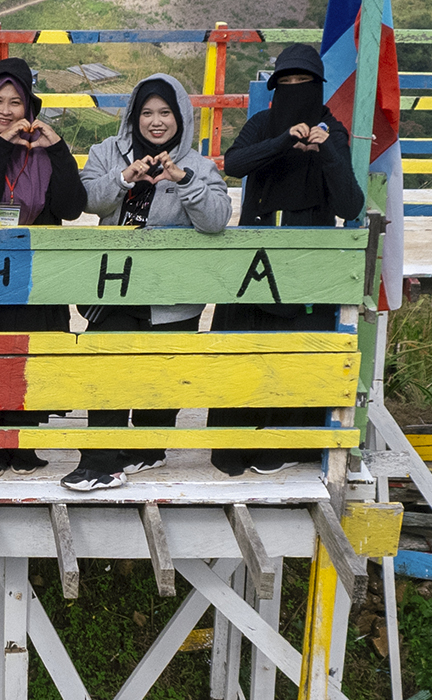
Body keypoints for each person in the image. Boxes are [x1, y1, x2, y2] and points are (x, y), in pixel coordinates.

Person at [62, 74, 229, 492]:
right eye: (147, 113)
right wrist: (124, 177)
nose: (156, 122)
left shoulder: (201, 165)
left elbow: (216, 221)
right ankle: (100, 462)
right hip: (114, 285)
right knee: (110, 372)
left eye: (166, 113)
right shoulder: (106, 152)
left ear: (181, 117)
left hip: (172, 291)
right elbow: (86, 201)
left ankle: (149, 448)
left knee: (162, 377)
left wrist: (183, 180)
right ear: (133, 117)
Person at [207, 42, 364, 477]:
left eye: (304, 83)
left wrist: (326, 152)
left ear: (318, 87)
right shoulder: (262, 124)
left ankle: (286, 443)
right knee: (244, 351)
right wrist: (282, 142)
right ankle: (233, 445)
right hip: (254, 260)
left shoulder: (333, 130)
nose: (296, 90)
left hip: (306, 261)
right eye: (287, 83)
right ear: (276, 89)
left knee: (297, 352)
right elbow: (235, 163)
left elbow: (349, 204)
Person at [0, 57, 86, 473]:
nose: (5, 111)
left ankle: (22, 441)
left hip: (31, 270)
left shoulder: (45, 153)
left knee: (29, 350)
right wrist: (2, 146)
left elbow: (72, 207)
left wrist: (58, 150)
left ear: (29, 109)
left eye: (16, 103)